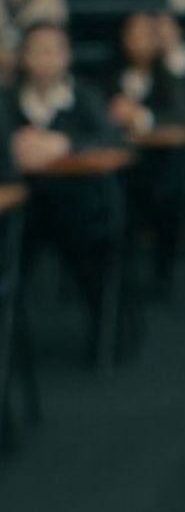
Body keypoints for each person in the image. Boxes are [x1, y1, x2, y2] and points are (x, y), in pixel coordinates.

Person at [5, 23, 126, 360]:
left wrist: (64, 143)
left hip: (79, 211)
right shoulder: (8, 100)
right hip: (23, 213)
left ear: (67, 56)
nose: (45, 59)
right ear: (24, 57)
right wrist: (15, 147)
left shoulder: (84, 97)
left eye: (53, 51)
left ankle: (105, 328)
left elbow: (112, 138)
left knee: (88, 252)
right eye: (37, 51)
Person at [104, 11, 185, 292]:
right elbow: (97, 116)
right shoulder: (112, 76)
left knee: (168, 196)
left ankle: (167, 268)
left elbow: (182, 116)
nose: (140, 42)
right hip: (122, 167)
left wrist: (141, 116)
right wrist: (114, 116)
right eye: (133, 35)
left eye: (146, 35)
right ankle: (117, 275)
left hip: (161, 165)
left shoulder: (167, 75)